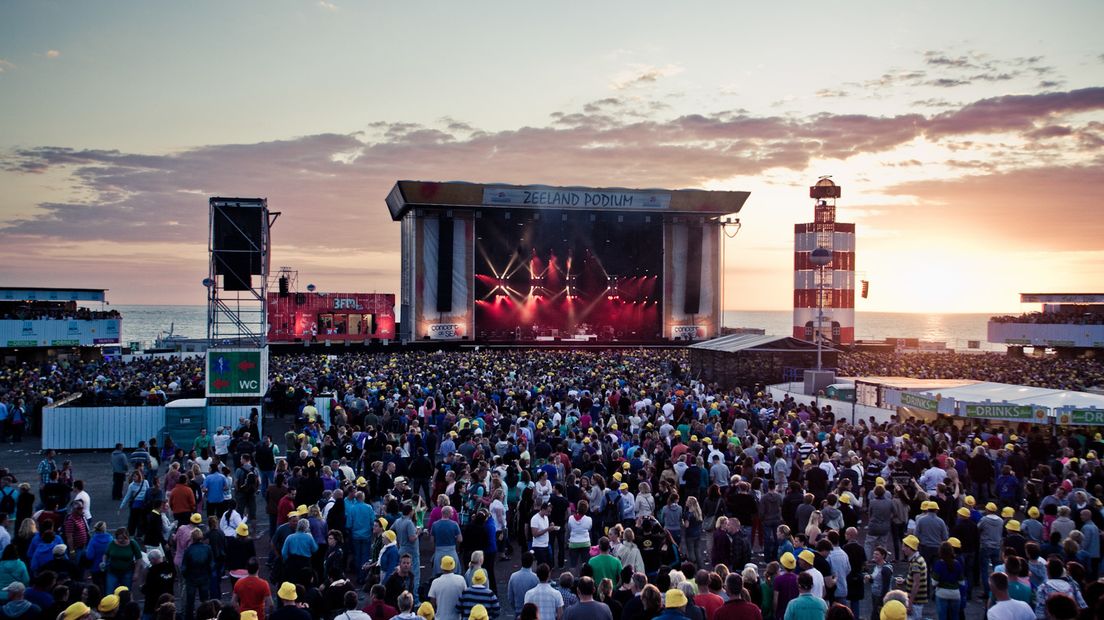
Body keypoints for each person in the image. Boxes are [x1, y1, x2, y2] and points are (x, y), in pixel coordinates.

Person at [181, 528, 213, 620]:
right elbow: (211, 564)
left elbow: (184, 567)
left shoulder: (188, 550)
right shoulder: (207, 548)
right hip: (204, 577)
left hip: (191, 579)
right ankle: (206, 617)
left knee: (190, 602)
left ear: (192, 538)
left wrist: (187, 576)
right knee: (205, 601)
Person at [931, 541, 963, 620]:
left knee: (942, 617)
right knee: (955, 617)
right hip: (955, 594)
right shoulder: (957, 564)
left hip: (941, 593)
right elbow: (961, 582)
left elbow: (934, 582)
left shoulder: (939, 564)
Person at [429, 556, 468, 620]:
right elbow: (465, 598)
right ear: (453, 566)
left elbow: (432, 602)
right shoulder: (461, 580)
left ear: (441, 567)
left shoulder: (435, 582)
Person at [142, 548, 176, 620]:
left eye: (150, 560)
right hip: (168, 599)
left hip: (153, 602)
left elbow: (149, 587)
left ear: (153, 559)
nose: (150, 562)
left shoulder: (152, 571)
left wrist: (142, 588)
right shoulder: (170, 568)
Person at [901, 535, 929, 620]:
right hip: (918, 600)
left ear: (909, 548)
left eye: (904, 546)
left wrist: (910, 603)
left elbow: (916, 584)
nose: (902, 549)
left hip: (916, 601)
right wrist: (906, 581)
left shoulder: (915, 563)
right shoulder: (918, 559)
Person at [507, 552, 540, 619]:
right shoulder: (536, 578)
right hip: (532, 612)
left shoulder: (513, 576)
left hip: (518, 611)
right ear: (532, 562)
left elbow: (510, 597)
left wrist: (516, 607)